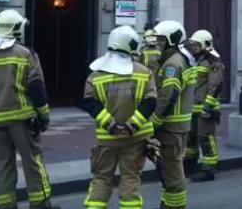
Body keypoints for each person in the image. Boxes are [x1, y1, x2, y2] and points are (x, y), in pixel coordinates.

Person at [0, 10, 58, 209]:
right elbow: (36, 87)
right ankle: (41, 204)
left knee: (2, 168)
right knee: (33, 164)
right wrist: (44, 115)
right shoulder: (25, 54)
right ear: (16, 29)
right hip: (23, 120)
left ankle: (6, 206)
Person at [80, 26, 159, 209]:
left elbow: (90, 103)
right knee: (131, 178)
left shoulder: (96, 74)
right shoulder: (143, 72)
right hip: (135, 138)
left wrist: (112, 125)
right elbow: (150, 102)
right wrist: (131, 125)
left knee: (101, 178)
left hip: (107, 139)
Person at [149, 21, 196, 209]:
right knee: (167, 170)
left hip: (170, 127)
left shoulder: (172, 64)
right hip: (177, 126)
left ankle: (174, 206)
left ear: (172, 40)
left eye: (161, 39)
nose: (157, 43)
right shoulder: (179, 58)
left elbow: (167, 97)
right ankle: (167, 203)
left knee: (172, 171)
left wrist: (154, 122)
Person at [184, 30, 225, 182]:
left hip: (206, 109)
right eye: (193, 44)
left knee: (205, 138)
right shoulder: (195, 60)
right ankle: (189, 166)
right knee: (191, 138)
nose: (194, 47)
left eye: (196, 44)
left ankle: (209, 170)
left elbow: (215, 86)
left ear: (205, 45)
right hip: (193, 108)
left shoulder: (214, 61)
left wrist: (207, 107)